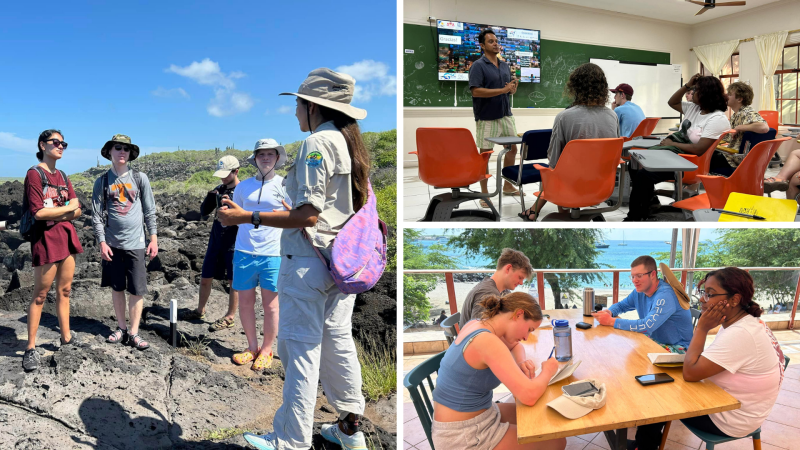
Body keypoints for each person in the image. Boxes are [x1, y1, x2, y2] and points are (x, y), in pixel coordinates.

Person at [218, 68, 372, 450]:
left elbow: (308, 216)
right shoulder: (351, 144)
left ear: (311, 107)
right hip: (344, 263)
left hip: (308, 263)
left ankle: (290, 440)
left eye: (298, 104)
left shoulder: (316, 144)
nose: (295, 112)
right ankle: (350, 430)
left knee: (299, 350)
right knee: (337, 341)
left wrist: (245, 216)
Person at [632, 268, 785, 450]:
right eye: (703, 293)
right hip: (736, 405)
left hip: (729, 419)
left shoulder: (741, 333)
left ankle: (643, 447)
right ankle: (646, 443)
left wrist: (702, 328)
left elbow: (690, 373)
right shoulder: (744, 322)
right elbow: (702, 361)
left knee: (656, 398)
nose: (703, 299)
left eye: (710, 294)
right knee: (660, 379)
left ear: (734, 299)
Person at [432, 292, 567, 450]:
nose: (526, 337)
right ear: (518, 314)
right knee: (557, 441)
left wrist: (521, 361)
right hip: (464, 435)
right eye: (529, 329)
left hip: (479, 415)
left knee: (539, 415)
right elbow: (528, 396)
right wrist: (548, 370)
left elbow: (516, 346)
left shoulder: (479, 324)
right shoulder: (486, 341)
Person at [520, 63, 619, 220]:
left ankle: (561, 216)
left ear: (574, 86)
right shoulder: (612, 116)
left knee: (558, 171)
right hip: (602, 186)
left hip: (570, 187)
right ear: (603, 87)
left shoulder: (564, 117)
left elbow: (553, 160)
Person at [625, 74, 731, 221]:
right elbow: (672, 102)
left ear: (706, 93)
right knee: (634, 164)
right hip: (674, 157)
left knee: (644, 175)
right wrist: (687, 84)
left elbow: (700, 149)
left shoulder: (717, 119)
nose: (692, 93)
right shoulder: (694, 108)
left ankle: (635, 217)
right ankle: (650, 203)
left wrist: (672, 144)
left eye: (696, 90)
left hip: (689, 164)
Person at [22, 129, 84, 372]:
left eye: (63, 143)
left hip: (67, 238)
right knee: (40, 294)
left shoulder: (63, 175)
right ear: (42, 145)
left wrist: (61, 211)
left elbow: (78, 208)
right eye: (55, 142)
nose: (60, 146)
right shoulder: (34, 174)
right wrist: (66, 211)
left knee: (65, 290)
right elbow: (38, 213)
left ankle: (66, 336)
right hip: (45, 239)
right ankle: (30, 347)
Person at [91, 134, 158, 351]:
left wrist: (153, 238)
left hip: (137, 243)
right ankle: (121, 327)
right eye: (118, 148)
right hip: (112, 244)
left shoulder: (140, 178)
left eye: (126, 149)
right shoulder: (101, 181)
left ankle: (134, 332)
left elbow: (149, 210)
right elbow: (96, 215)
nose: (122, 152)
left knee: (137, 290)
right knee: (117, 287)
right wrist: (102, 242)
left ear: (130, 154)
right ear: (109, 151)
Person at [229, 139, 290, 371]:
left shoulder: (285, 185)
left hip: (273, 253)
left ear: (277, 157)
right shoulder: (243, 187)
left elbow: (292, 216)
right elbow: (236, 216)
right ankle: (251, 347)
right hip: (244, 251)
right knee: (245, 302)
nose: (265, 158)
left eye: (270, 154)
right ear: (255, 158)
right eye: (261, 154)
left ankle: (267, 348)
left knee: (271, 305)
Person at [182, 155, 241, 332]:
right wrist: (211, 197)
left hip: (234, 240)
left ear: (236, 171)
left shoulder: (243, 190)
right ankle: (200, 310)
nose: (223, 178)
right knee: (206, 277)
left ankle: (230, 316)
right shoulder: (219, 189)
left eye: (226, 174)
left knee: (233, 281)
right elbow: (204, 211)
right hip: (216, 239)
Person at [592, 256, 693, 349]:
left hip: (679, 349)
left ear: (653, 274)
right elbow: (622, 306)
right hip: (655, 340)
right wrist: (610, 312)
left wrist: (610, 321)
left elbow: (647, 326)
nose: (634, 280)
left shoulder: (665, 295)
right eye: (632, 276)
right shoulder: (640, 292)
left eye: (639, 276)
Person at [470, 28, 521, 206]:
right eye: (491, 41)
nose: (495, 44)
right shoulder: (478, 65)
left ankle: (507, 185)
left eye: (496, 41)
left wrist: (511, 89)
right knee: (485, 154)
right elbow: (476, 92)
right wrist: (503, 90)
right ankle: (484, 194)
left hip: (505, 114)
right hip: (486, 116)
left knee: (513, 150)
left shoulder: (505, 65)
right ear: (483, 46)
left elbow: (507, 89)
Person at [459, 248, 533, 328]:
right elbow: (480, 333)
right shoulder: (487, 293)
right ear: (508, 268)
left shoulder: (504, 291)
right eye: (520, 277)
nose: (521, 283)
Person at [711, 82, 769, 175]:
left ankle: (688, 185)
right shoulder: (736, 115)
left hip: (733, 161)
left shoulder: (747, 112)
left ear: (739, 99)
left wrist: (739, 127)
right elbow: (727, 137)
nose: (726, 96)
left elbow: (764, 127)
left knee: (700, 155)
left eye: (729, 94)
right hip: (733, 158)